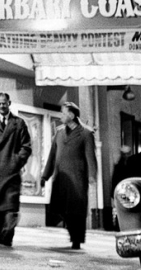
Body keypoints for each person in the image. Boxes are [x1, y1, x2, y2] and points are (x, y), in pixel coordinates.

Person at [41, 101, 97, 250]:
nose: (61, 116)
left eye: (63, 113)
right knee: (61, 209)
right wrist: (45, 176)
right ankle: (73, 234)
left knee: (76, 210)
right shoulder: (59, 132)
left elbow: (90, 157)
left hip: (77, 177)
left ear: (72, 115)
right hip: (60, 177)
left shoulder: (85, 133)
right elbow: (52, 156)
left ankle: (77, 239)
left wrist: (92, 176)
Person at [0, 92, 32, 247]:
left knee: (10, 205)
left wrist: (16, 161)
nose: (1, 106)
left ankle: (6, 237)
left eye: (4, 103)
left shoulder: (19, 123)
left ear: (9, 103)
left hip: (11, 172)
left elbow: (26, 147)